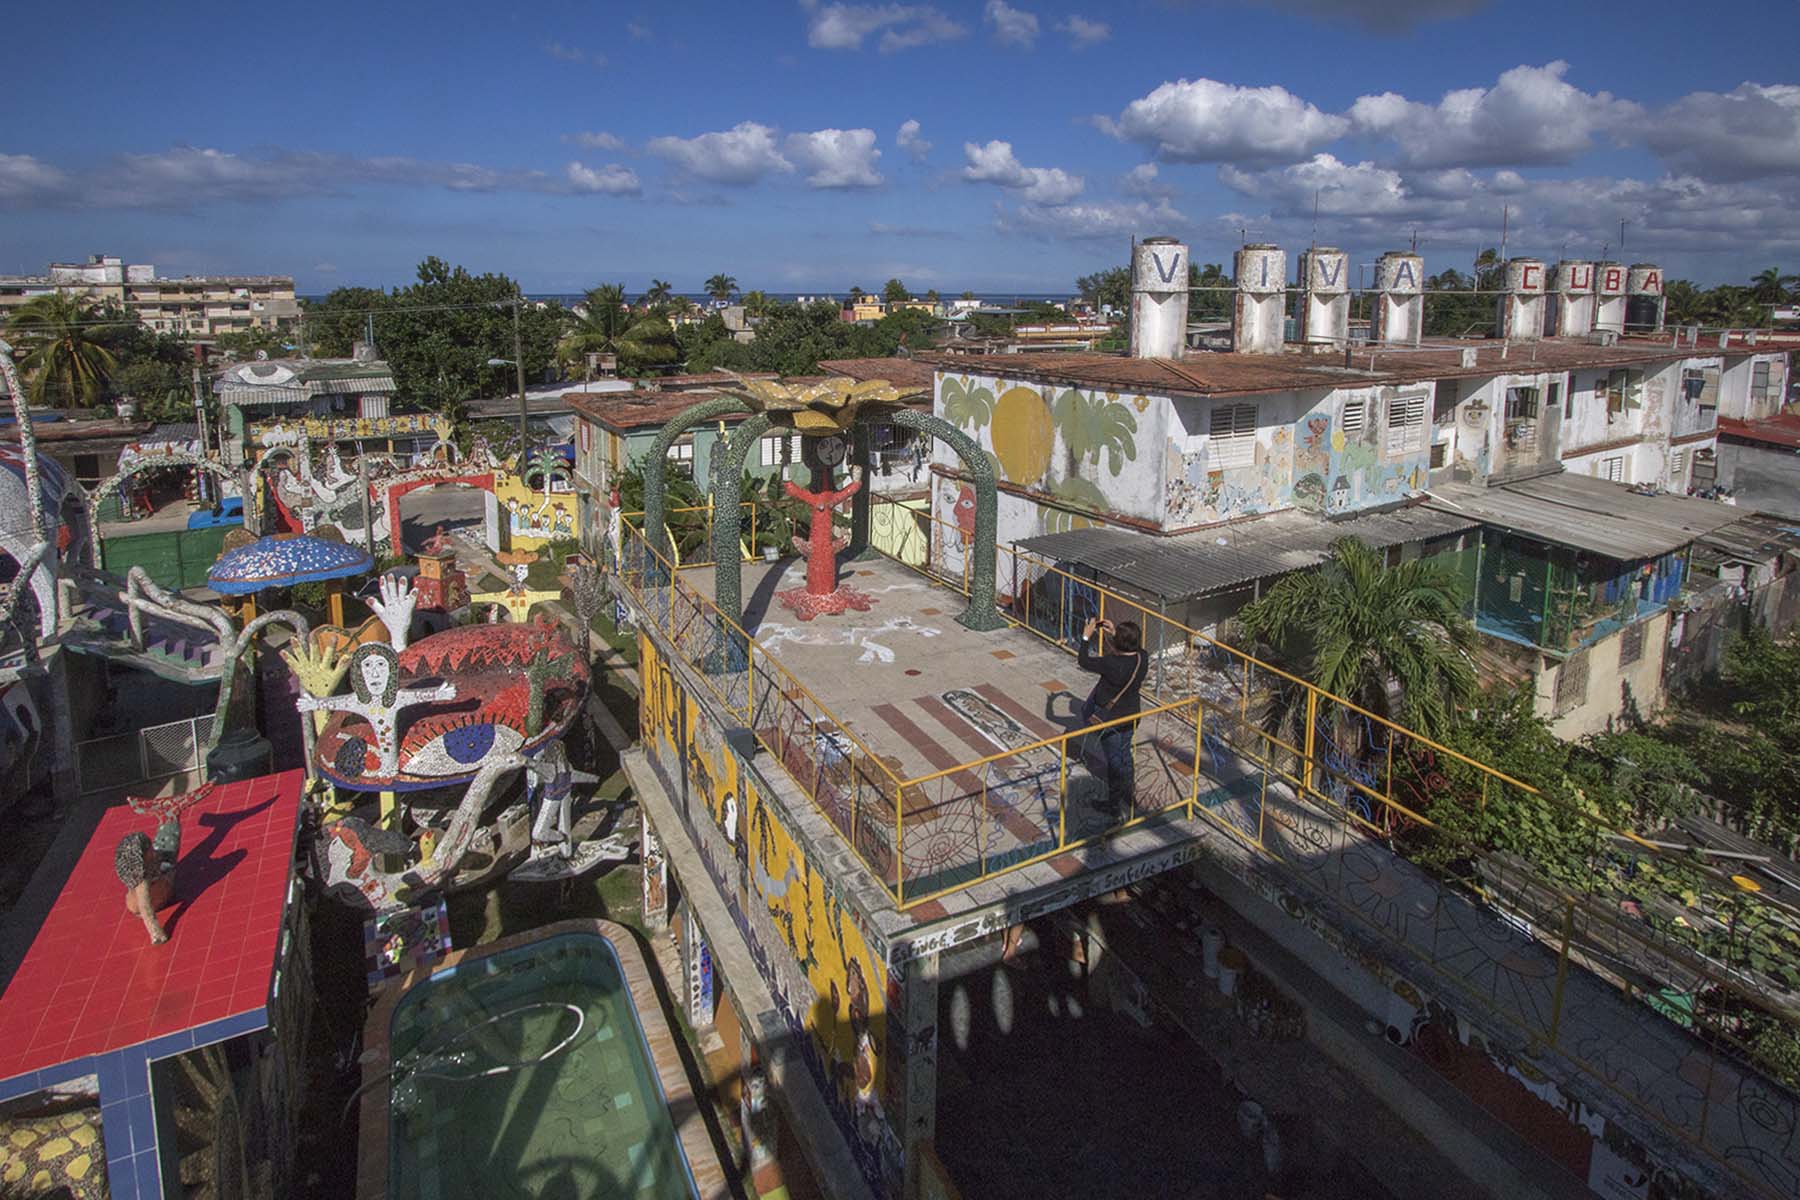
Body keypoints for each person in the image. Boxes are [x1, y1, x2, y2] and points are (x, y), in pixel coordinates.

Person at [1077, 616, 1146, 819]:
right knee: (1125, 754)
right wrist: (1117, 634)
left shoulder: (1111, 663)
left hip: (1111, 719)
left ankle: (1113, 804)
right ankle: (1129, 793)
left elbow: (1083, 661)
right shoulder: (1142, 658)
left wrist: (1086, 636)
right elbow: (1135, 648)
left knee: (1115, 761)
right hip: (1132, 715)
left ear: (1118, 644)